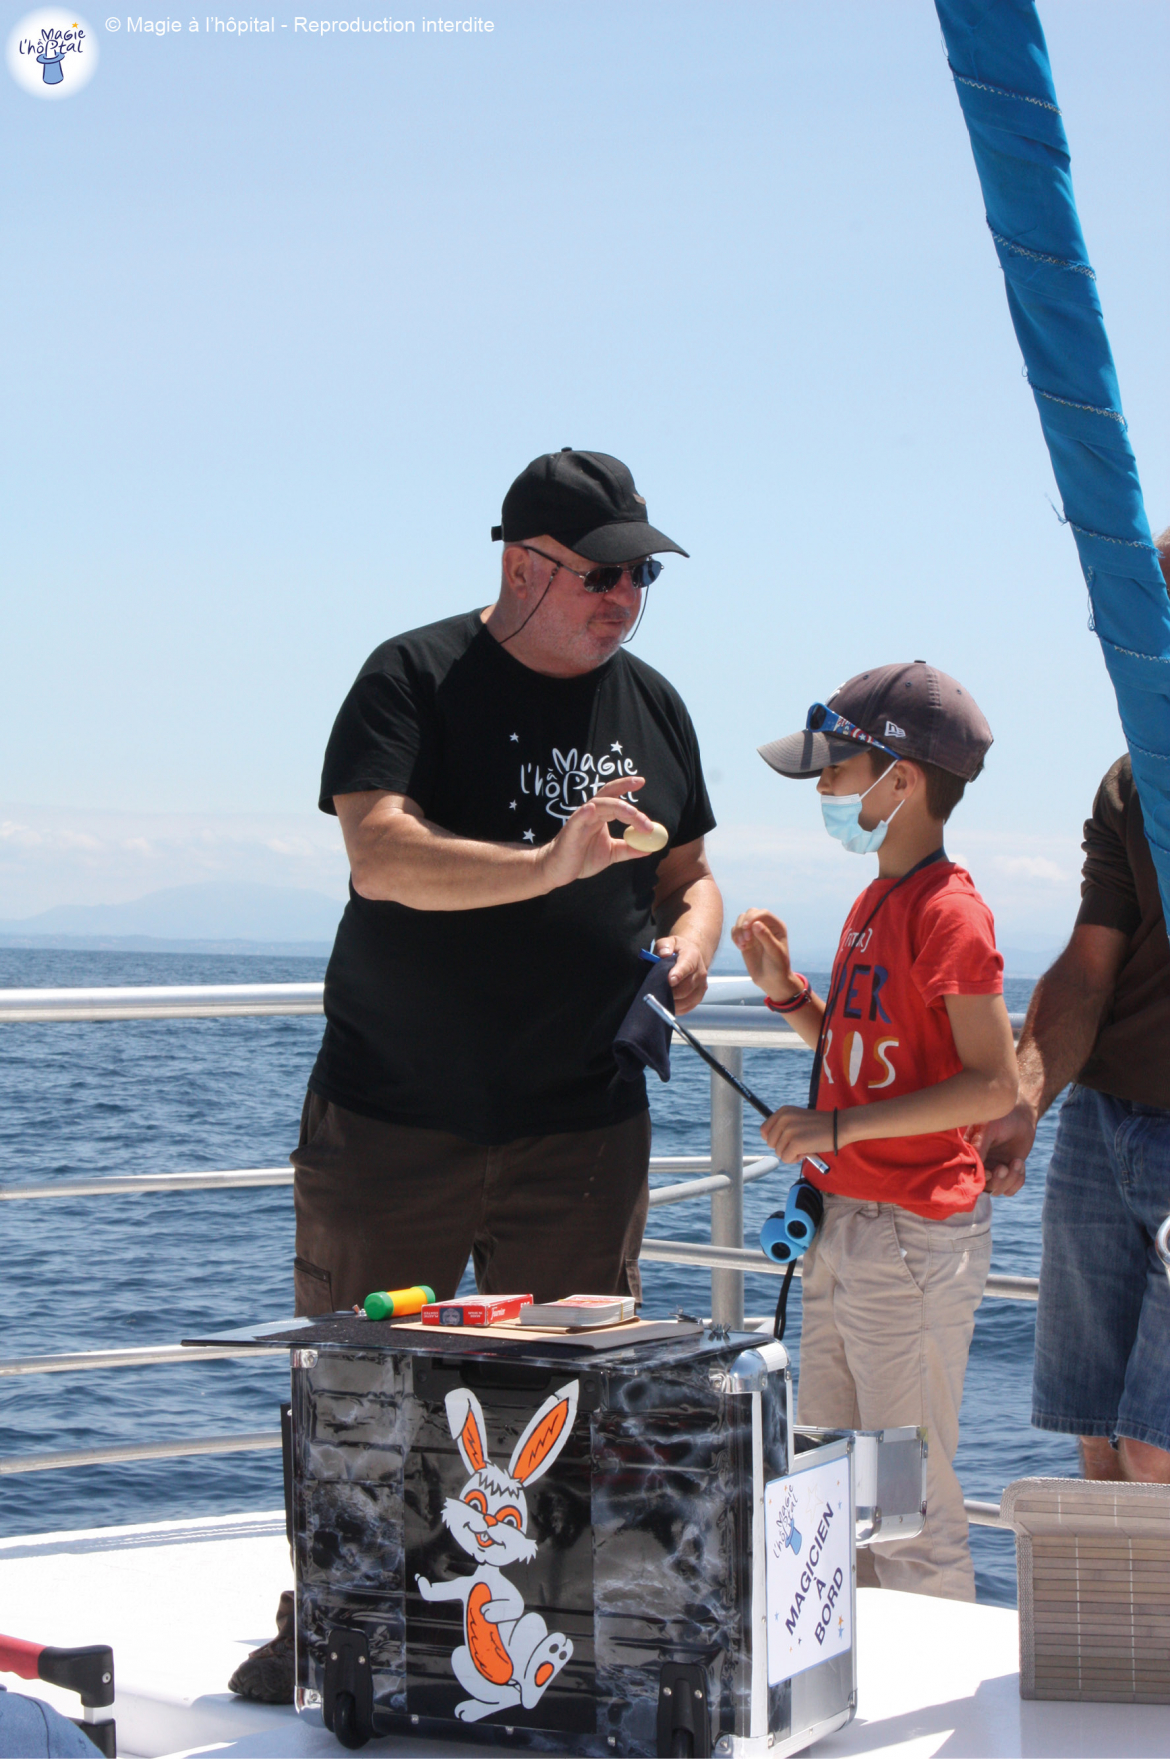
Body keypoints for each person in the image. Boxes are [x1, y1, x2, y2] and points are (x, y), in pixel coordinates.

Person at [230, 449, 723, 1700]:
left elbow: (691, 875)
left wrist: (692, 946)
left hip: (585, 1131)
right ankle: (330, 1633)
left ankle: (545, 1657)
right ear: (522, 564)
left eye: (641, 576)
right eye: (603, 572)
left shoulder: (654, 704)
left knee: (564, 1405)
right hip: (397, 1118)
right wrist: (551, 863)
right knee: (363, 1393)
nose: (625, 595)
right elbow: (382, 857)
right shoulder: (413, 674)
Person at [731, 664, 1018, 1601]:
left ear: (904, 779)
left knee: (909, 1511)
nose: (825, 788)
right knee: (834, 1496)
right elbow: (874, 1054)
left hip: (908, 1240)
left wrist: (838, 1124)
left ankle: (940, 1731)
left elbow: (989, 1084)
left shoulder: (950, 912)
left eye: (840, 768)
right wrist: (788, 995)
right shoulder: (876, 902)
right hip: (851, 1228)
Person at [975, 742, 1170, 1486]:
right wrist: (1024, 1098)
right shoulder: (1137, 775)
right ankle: (1116, 1611)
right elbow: (1089, 968)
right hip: (1099, 1126)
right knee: (1095, 1435)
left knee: (1156, 1449)